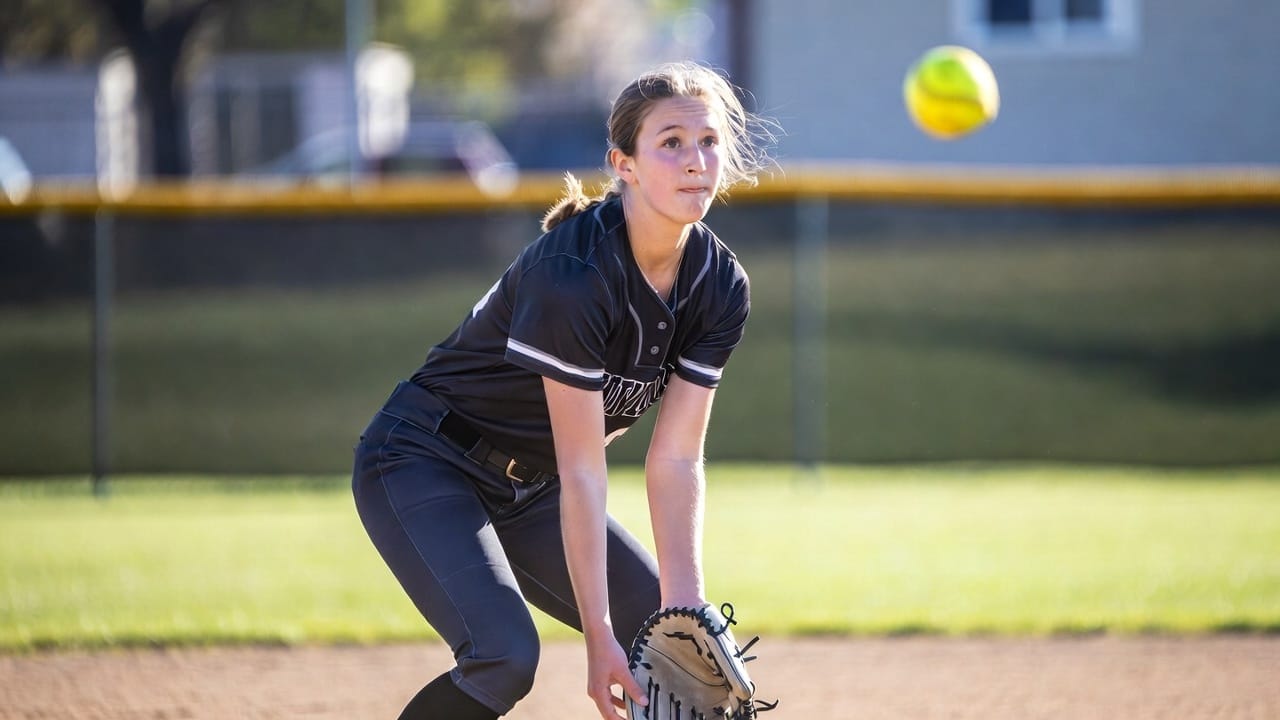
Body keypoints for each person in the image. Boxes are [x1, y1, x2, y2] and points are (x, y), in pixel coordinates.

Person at [351, 61, 775, 720]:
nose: (696, 159)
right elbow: (585, 469)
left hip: (536, 487)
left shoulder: (719, 284)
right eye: (671, 142)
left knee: (695, 667)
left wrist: (685, 607)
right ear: (624, 163)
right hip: (425, 461)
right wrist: (600, 635)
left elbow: (676, 459)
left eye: (709, 141)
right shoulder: (574, 273)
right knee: (503, 658)